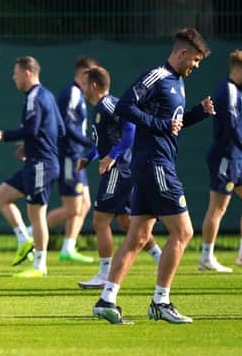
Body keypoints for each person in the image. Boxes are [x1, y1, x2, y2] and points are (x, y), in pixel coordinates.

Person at [93, 28, 213, 324]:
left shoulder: (178, 83)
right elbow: (125, 106)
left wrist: (198, 112)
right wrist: (158, 125)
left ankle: (106, 300)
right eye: (195, 59)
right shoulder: (157, 76)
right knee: (183, 232)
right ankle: (161, 302)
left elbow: (172, 125)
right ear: (182, 52)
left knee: (138, 237)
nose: (196, 66)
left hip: (153, 164)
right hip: (155, 165)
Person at [76, 66, 162, 289]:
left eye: (84, 85)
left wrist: (111, 157)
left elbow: (130, 131)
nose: (82, 89)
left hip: (119, 169)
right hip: (122, 167)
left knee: (100, 220)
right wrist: (89, 156)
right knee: (127, 223)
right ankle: (160, 258)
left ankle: (105, 274)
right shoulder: (100, 108)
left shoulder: (107, 104)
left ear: (94, 86)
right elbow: (108, 141)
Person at [0, 56, 65, 278]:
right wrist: (28, 145)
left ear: (27, 73)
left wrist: (3, 135)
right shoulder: (48, 96)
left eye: (15, 73)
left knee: (37, 214)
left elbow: (32, 128)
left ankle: (40, 266)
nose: (13, 78)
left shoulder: (35, 96)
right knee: (0, 196)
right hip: (38, 162)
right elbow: (59, 129)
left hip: (42, 164)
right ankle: (24, 241)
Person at [36, 56, 96, 264]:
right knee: (72, 208)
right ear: (83, 74)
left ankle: (68, 247)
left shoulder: (79, 94)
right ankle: (31, 232)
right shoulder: (72, 92)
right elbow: (66, 127)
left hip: (77, 155)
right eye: (92, 74)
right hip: (70, 156)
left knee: (85, 204)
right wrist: (90, 141)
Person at [199, 49, 242, 272]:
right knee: (218, 208)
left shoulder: (238, 91)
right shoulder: (228, 90)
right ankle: (206, 256)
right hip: (226, 156)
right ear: (237, 68)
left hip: (237, 157)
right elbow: (232, 126)